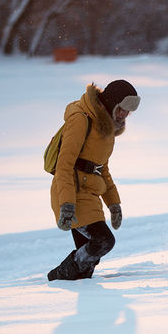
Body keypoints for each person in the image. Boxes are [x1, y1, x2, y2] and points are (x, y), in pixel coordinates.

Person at [47, 80, 140, 281]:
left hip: (90, 193)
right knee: (103, 241)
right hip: (72, 192)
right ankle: (59, 275)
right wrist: (67, 204)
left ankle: (77, 296)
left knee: (88, 265)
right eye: (122, 109)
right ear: (111, 102)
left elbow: (102, 169)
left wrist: (114, 204)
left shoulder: (108, 128)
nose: (124, 115)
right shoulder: (81, 119)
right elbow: (64, 165)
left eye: (128, 112)